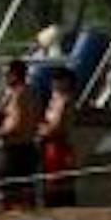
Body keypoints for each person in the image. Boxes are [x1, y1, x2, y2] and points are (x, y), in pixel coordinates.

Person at [0, 60, 42, 211]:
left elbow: (16, 125)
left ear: (14, 75)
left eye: (6, 74)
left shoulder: (18, 95)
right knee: (26, 190)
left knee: (12, 193)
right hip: (28, 146)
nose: (4, 78)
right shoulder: (32, 92)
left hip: (15, 149)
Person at [38, 67, 79, 208]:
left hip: (60, 146)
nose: (54, 83)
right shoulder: (55, 99)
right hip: (51, 145)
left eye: (58, 80)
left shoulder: (65, 101)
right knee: (51, 184)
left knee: (59, 185)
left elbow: (57, 128)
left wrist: (41, 130)